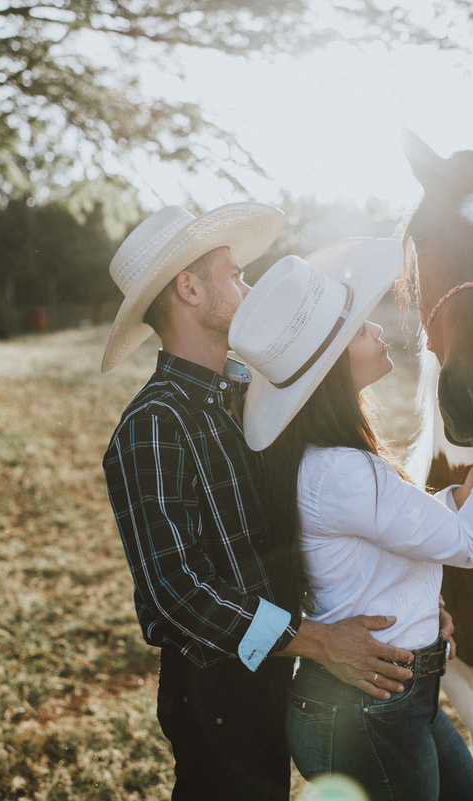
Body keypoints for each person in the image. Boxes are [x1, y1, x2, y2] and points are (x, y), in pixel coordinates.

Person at [100, 205, 423, 801]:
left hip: (278, 664)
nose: (249, 287)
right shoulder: (154, 423)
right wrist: (317, 640)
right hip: (216, 688)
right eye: (234, 274)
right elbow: (175, 591)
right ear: (189, 289)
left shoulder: (247, 393)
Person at [228, 238, 473, 801]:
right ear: (328, 372)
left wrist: (452, 502)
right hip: (367, 712)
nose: (377, 330)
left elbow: (397, 530)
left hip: (393, 700)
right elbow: (469, 544)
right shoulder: (345, 472)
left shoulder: (328, 464)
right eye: (358, 330)